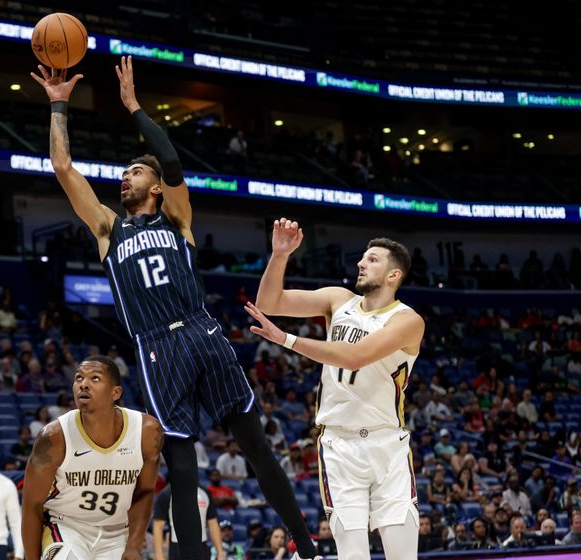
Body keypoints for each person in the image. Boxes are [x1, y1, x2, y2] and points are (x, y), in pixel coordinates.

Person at [29, 57, 318, 560]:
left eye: (135, 172)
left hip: (204, 334)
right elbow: (62, 168)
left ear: (157, 187)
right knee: (183, 471)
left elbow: (173, 160)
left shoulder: (178, 218)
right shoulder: (107, 229)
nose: (125, 179)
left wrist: (135, 107)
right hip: (157, 346)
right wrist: (58, 106)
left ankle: (309, 548)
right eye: (123, 173)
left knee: (257, 448)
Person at [248, 219, 425, 560]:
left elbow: (355, 357)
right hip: (339, 446)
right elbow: (270, 302)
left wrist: (286, 339)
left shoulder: (407, 320)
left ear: (394, 275)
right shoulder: (338, 300)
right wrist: (280, 256)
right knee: (352, 556)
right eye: (363, 257)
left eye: (372, 259)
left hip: (387, 445)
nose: (361, 262)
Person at [21, 355, 163, 560]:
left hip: (118, 533)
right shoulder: (54, 436)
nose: (83, 385)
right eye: (78, 378)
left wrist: (133, 545)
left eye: (94, 378)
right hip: (66, 527)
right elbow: (32, 505)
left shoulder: (146, 432)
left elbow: (145, 492)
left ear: (116, 392)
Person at [152, 484, 225, 560]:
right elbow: (158, 525)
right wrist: (159, 555)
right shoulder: (166, 494)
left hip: (202, 547)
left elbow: (213, 524)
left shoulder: (205, 492)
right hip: (177, 548)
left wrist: (220, 553)